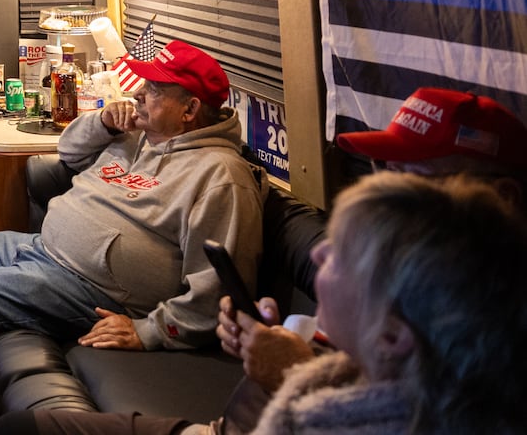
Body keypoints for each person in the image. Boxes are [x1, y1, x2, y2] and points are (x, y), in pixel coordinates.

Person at [0, 85, 527, 435]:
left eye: (415, 182)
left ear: (501, 199)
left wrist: (288, 367)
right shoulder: (409, 274)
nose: (388, 192)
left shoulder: (469, 314)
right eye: (381, 171)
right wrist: (272, 346)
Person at [0, 40, 266, 435]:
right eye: (142, 84)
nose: (138, 94)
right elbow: (69, 150)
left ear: (190, 109)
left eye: (155, 90)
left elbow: (216, 294)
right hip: (46, 250)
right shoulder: (140, 133)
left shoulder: (221, 178)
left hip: (95, 289)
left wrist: (150, 330)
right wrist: (104, 123)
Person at [218, 172, 525, 433]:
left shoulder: (311, 423)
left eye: (342, 255)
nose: (316, 254)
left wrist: (288, 372)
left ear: (391, 336)